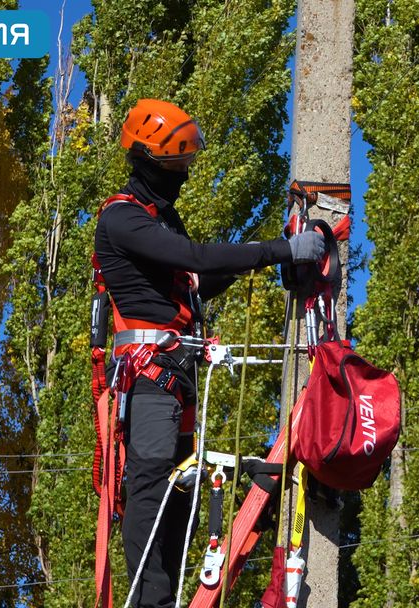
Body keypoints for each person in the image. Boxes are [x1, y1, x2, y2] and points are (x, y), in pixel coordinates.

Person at [94, 98, 324, 608]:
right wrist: (278, 250)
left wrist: (272, 254)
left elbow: (198, 281)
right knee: (152, 486)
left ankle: (165, 596)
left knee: (182, 498)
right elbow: (194, 258)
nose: (183, 175)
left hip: (177, 382)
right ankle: (147, 600)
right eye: (176, 165)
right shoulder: (123, 219)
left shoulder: (162, 220)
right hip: (149, 381)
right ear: (147, 161)